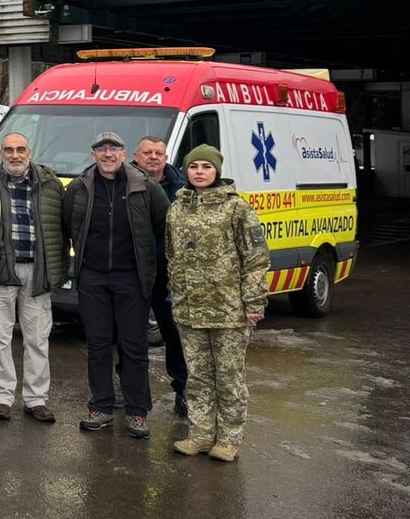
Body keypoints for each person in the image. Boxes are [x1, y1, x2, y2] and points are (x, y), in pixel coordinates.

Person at [63, 130, 169, 438]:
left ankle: (137, 412)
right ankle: (101, 407)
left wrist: (149, 266)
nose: (108, 154)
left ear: (125, 155)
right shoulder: (80, 189)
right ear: (93, 154)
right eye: (102, 149)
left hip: (132, 279)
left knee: (134, 347)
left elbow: (163, 227)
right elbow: (68, 225)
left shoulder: (146, 188)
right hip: (93, 278)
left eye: (115, 149)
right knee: (98, 346)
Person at [166, 145, 269, 462]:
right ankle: (200, 434)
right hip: (189, 310)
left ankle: (229, 439)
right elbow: (172, 256)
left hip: (228, 310)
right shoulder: (177, 209)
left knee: (229, 378)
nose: (199, 171)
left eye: (206, 167)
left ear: (217, 171)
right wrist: (177, 292)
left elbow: (256, 259)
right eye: (194, 166)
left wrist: (253, 302)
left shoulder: (236, 209)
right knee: (197, 377)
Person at [0, 132, 66, 423]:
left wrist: (60, 269)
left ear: (30, 152)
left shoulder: (50, 185)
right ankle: (2, 398)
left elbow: (63, 228)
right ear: (0, 153)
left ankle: (36, 399)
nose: (15, 155)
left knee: (38, 337)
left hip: (37, 270)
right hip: (0, 270)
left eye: (21, 149)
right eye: (9, 150)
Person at [133, 136, 190, 418]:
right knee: (129, 336)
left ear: (166, 157)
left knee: (175, 334)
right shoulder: (123, 181)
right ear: (136, 155)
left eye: (159, 153)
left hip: (169, 277)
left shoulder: (182, 188)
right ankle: (131, 391)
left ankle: (183, 390)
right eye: (147, 152)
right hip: (133, 274)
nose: (153, 157)